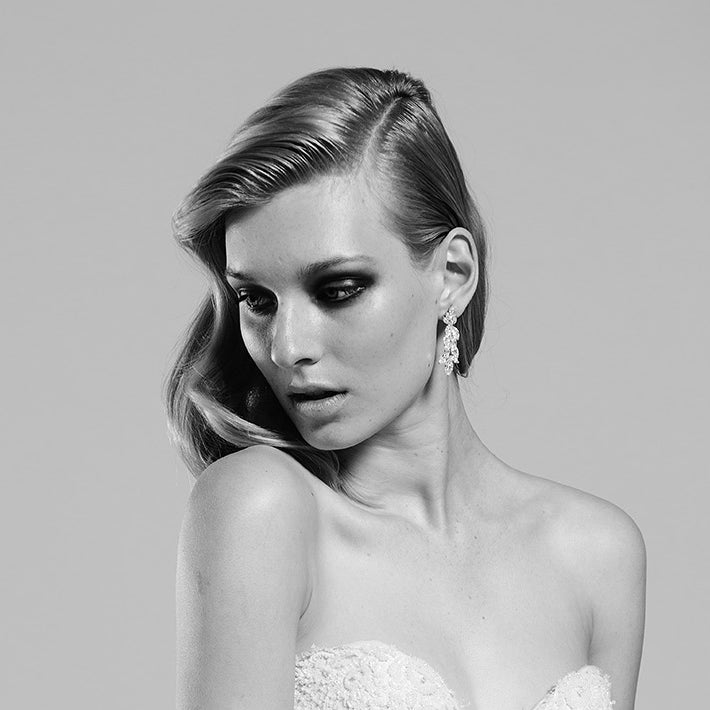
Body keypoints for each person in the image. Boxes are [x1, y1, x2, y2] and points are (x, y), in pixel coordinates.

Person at [166, 67, 646, 710]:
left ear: (453, 274)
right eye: (257, 299)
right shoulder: (260, 509)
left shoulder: (599, 555)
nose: (286, 346)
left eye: (338, 290)